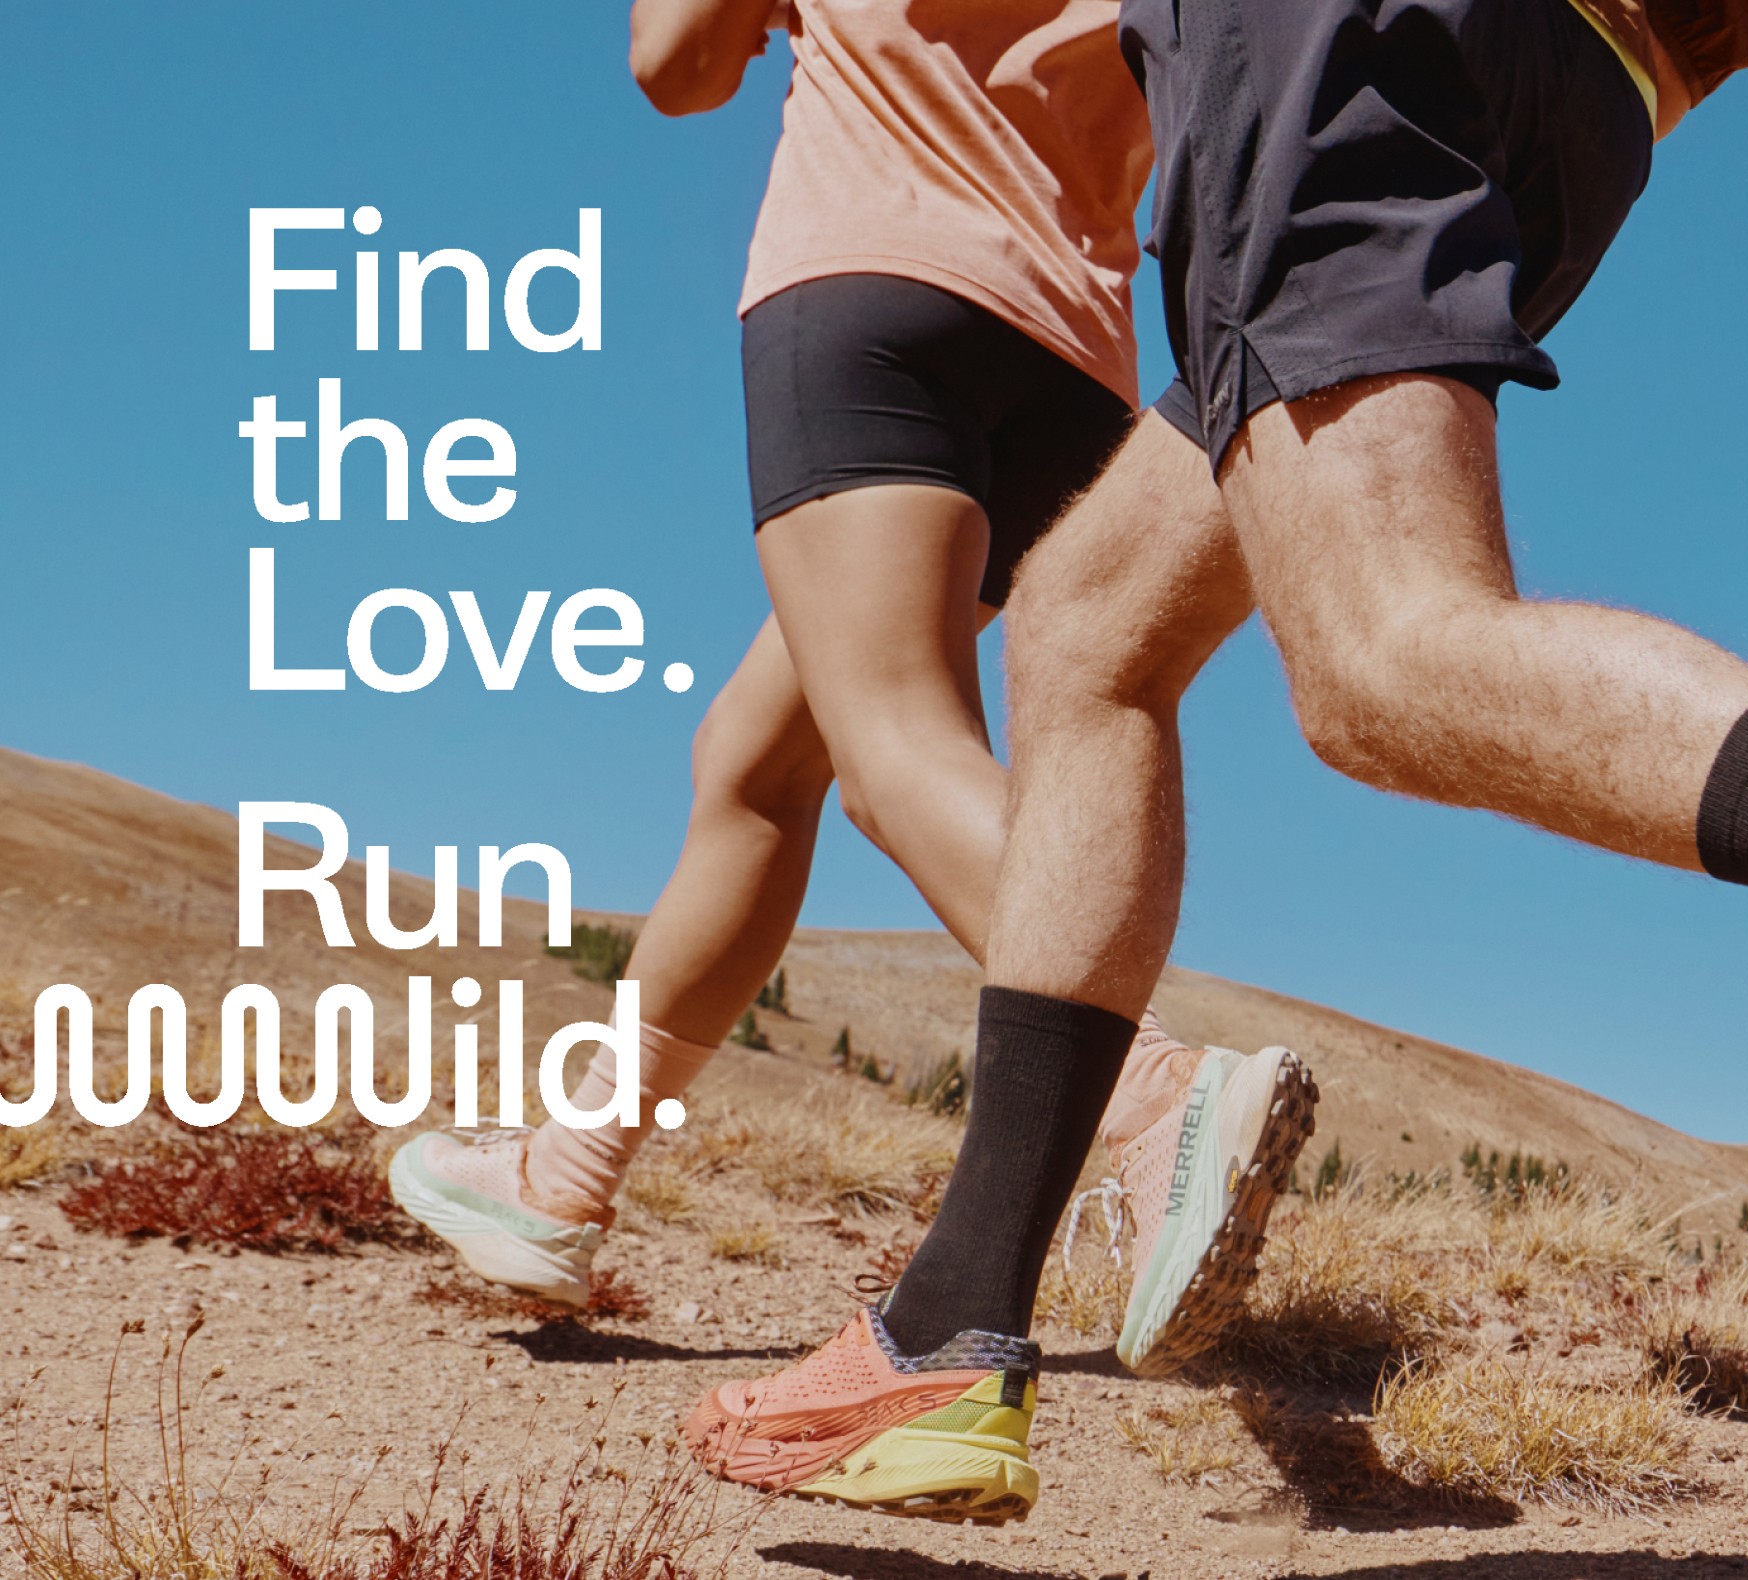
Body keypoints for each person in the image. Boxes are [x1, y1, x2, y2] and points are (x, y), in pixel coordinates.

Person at [680, 0, 1748, 1521]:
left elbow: (672, 53)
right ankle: (945, 1332)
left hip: (1327, 40)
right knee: (1087, 625)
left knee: (1383, 653)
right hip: (1592, 91)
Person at [387, 0, 1320, 1506]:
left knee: (896, 741)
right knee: (757, 763)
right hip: (1073, 358)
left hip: (874, 286)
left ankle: (1153, 1094)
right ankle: (566, 1177)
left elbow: (674, 67)